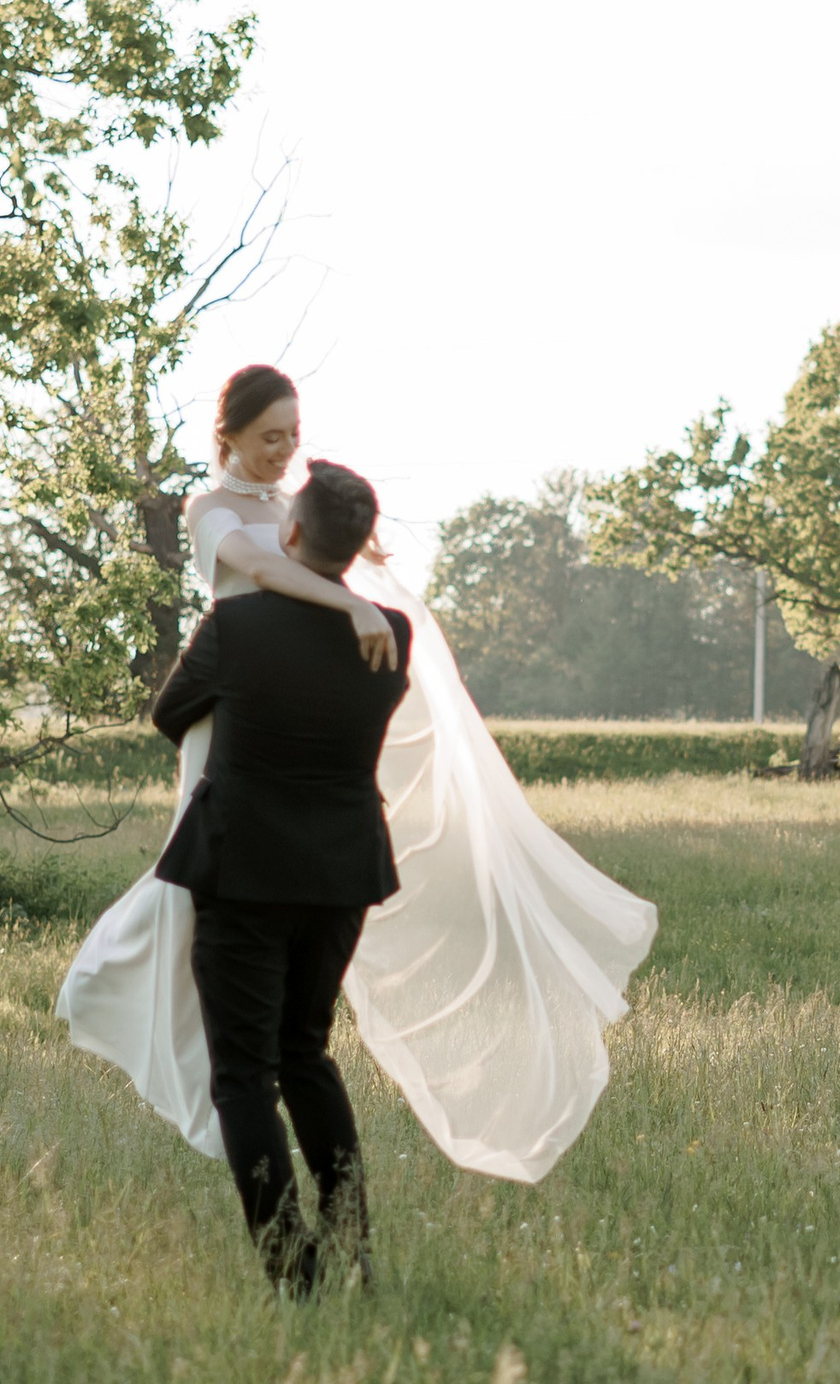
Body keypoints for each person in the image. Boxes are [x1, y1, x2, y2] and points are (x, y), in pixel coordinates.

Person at [57, 363, 656, 1219]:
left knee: (268, 1021)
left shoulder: (296, 519)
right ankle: (335, 1218)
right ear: (226, 433)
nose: (284, 453)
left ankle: (276, 1195)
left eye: (294, 438)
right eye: (270, 438)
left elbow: (288, 580)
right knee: (226, 960)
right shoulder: (215, 514)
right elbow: (266, 572)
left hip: (273, 723)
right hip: (236, 736)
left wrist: (355, 589)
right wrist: (355, 607)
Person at [149, 455, 409, 1292]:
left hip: (243, 871)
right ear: (359, 549)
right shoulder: (393, 634)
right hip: (340, 872)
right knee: (307, 1051)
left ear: (290, 532)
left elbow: (169, 712)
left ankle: (292, 1270)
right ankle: (351, 1243)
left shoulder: (235, 626)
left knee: (243, 1076)